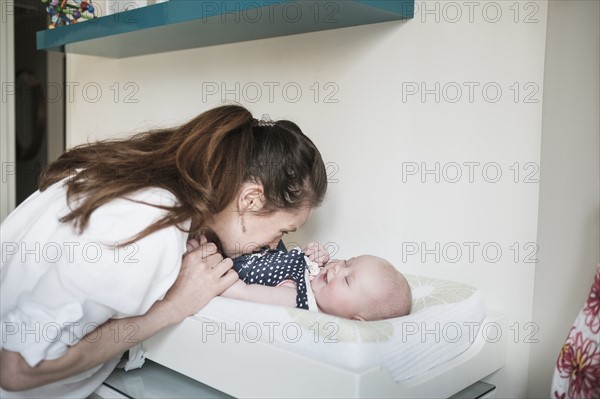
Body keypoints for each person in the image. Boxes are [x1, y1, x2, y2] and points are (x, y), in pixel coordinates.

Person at [0, 105, 327, 397]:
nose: (274, 246)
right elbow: (18, 367)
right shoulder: (152, 220)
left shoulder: (130, 183)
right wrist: (173, 306)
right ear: (251, 199)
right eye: (282, 231)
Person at [220, 243, 412, 321]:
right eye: (346, 262)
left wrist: (212, 266)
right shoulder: (319, 279)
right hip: (247, 246)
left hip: (227, 263)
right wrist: (315, 254)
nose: (337, 268)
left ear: (354, 320)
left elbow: (242, 292)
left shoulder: (298, 299)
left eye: (346, 280)